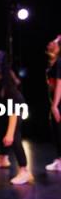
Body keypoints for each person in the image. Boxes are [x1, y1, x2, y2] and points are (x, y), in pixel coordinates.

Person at [0, 50, 33, 185]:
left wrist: (10, 133)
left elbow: (13, 108)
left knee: (13, 136)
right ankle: (3, 158)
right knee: (1, 130)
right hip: (4, 108)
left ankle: (24, 171)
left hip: (15, 108)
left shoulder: (6, 79)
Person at [45, 35, 61, 172]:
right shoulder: (55, 62)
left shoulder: (59, 62)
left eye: (55, 41)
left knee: (59, 130)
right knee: (56, 131)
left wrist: (55, 105)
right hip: (55, 100)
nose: (51, 43)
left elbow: (60, 83)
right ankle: (59, 159)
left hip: (59, 101)